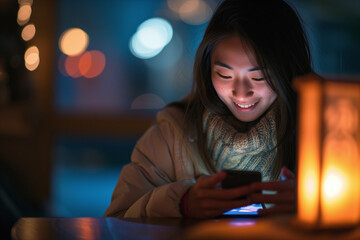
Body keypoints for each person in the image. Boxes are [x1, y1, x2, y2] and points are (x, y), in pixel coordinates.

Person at [104, 0, 313, 219]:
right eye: (224, 75)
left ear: (289, 71)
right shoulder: (173, 134)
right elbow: (117, 218)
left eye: (258, 77)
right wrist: (182, 204)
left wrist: (315, 205)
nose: (241, 92)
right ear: (206, 69)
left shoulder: (326, 135)